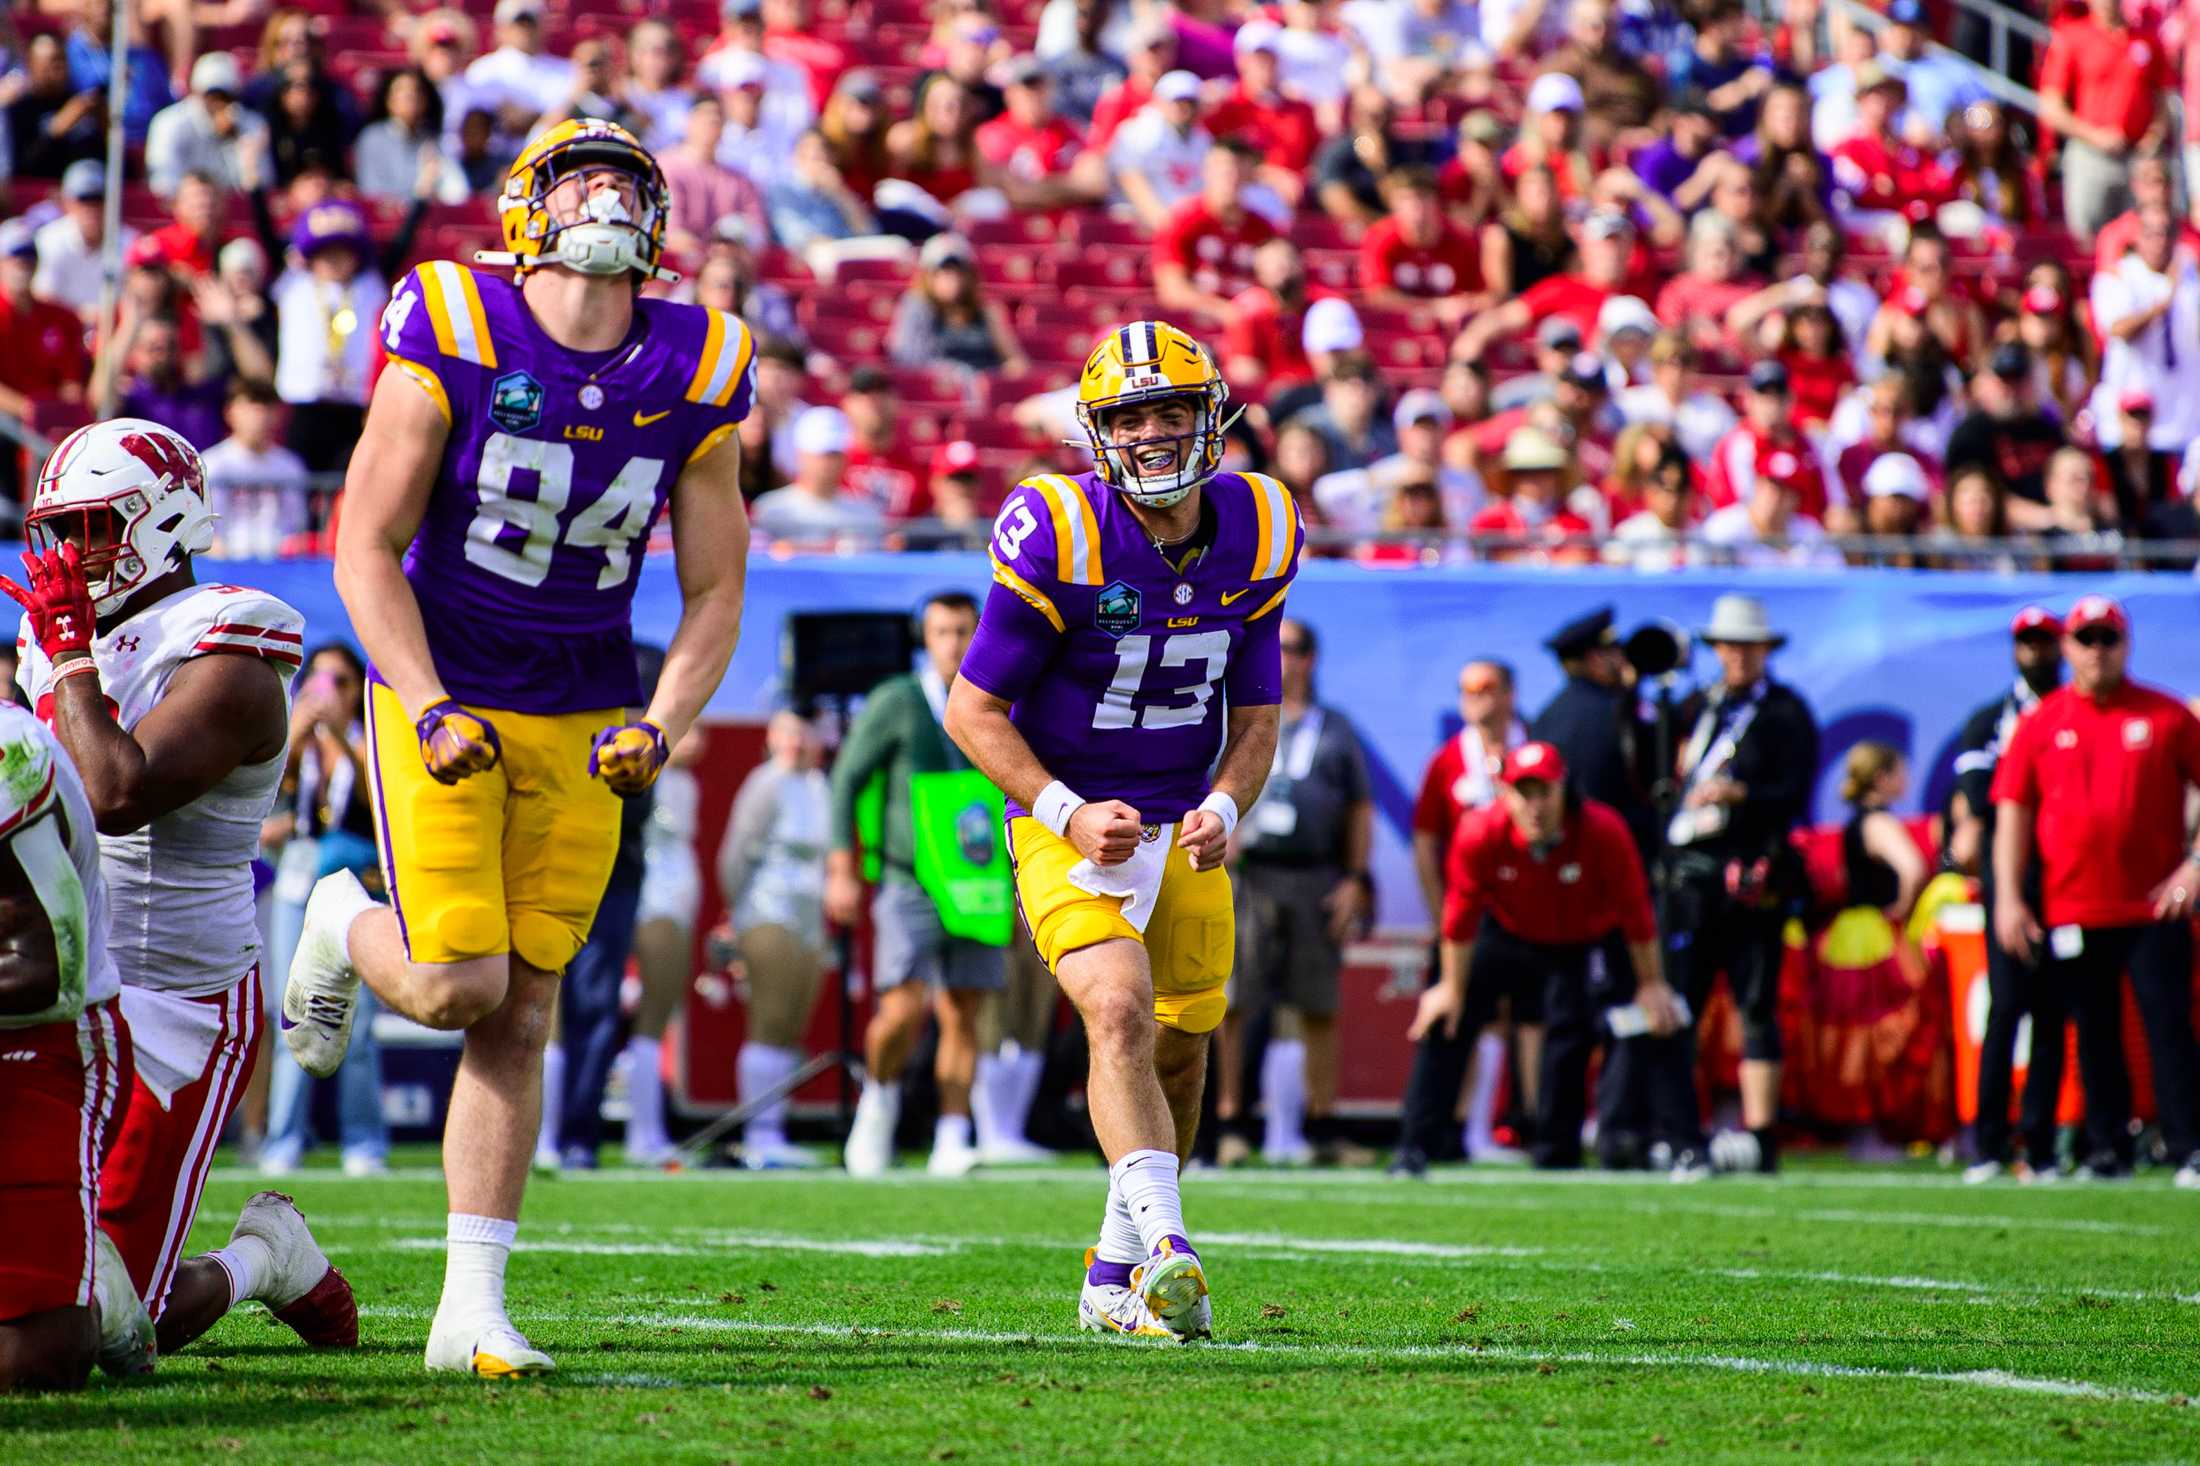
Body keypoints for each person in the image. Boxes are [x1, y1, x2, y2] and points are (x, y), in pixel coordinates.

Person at [280, 118, 753, 1376]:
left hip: (591, 698)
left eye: (627, 179)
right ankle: (338, 913)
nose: (605, 192)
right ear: (525, 208)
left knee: (527, 1003)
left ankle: (467, 1308)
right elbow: (364, 544)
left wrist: (662, 719)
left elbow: (714, 589)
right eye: (578, 174)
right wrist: (425, 696)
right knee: (454, 988)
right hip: (449, 682)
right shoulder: (451, 318)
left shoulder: (698, 360)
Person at [944, 320, 1301, 1341]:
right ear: (1098, 432)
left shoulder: (1261, 525)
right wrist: (1059, 805)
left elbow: (1258, 714)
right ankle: (1173, 1245)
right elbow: (970, 710)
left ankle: (1112, 1273)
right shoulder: (1058, 528)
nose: (1151, 432)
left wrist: (1226, 804)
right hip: (1070, 821)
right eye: (1129, 414)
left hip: (1180, 821)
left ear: (1211, 416)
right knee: (1116, 1009)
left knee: (1182, 1052)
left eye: (1171, 409)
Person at [6, 419, 355, 1360]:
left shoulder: (231, 653)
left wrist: (71, 657)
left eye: (94, 528)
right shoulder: (57, 642)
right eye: (60, 532)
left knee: (124, 1325)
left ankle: (266, 1258)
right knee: (41, 1287)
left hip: (178, 1000)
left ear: (163, 522)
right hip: (70, 995)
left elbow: (119, 794)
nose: (73, 556)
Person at [1990, 596, 2200, 1188]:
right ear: (2068, 647)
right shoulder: (2040, 723)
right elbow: (2013, 814)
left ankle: (2189, 1147)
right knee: (2094, 1031)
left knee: (2169, 1027)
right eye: (2087, 638)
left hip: (2153, 902)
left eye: (2109, 638)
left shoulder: (2165, 716)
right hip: (2072, 905)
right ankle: (2107, 1149)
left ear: (2126, 645)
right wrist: (2007, 895)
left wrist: (2195, 866)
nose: (2098, 650)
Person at [1412, 742, 1682, 1169]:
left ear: (1564, 789)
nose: (1535, 805)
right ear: (1506, 793)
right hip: (1509, 931)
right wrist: (1450, 986)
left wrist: (1651, 983)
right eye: (1525, 792)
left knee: (1622, 1023)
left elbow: (1636, 914)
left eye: (1545, 792)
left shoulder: (1603, 829)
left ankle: (1605, 1144)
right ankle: (1416, 1145)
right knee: (1446, 1015)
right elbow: (1459, 919)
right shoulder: (1480, 831)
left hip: (1583, 938)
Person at [828, 592, 1005, 1178]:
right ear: (923, 639)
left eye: (962, 631)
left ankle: (953, 1135)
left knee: (964, 1012)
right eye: (940, 632)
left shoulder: (999, 699)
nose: (953, 643)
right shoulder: (898, 700)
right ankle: (877, 1103)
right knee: (902, 1008)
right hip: (908, 877)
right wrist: (841, 867)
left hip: (978, 878)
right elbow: (847, 778)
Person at [0, 699, 147, 1389]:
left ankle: (102, 1295)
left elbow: (42, 970)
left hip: (39, 1040)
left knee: (36, 1359)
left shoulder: (9, 755)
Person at [1658, 594, 1820, 1176]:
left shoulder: (1784, 713)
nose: (1738, 655)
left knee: (1755, 1003)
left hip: (1753, 875)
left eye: (1748, 646)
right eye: (1729, 645)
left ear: (1764, 650)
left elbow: (1796, 793)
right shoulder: (1696, 708)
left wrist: (1741, 794)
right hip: (1693, 879)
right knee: (1682, 1005)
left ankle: (1760, 1135)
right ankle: (1679, 1129)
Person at [1221, 619, 1373, 1168]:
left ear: (1311, 659)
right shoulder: (1238, 716)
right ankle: (1232, 1122)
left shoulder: (1334, 728)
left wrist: (1356, 877)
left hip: (1314, 876)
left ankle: (1323, 1124)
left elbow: (1359, 806)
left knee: (1318, 1004)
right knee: (1235, 1002)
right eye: (1275, 647)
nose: (1283, 658)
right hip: (1250, 875)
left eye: (1294, 649)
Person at [535, 644, 670, 1171]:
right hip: (547, 866)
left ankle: (577, 1138)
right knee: (537, 1005)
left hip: (614, 874)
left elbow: (636, 804)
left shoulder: (641, 669)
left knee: (594, 1002)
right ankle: (538, 1135)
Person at [1392, 657, 1525, 1176]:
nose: (1479, 698)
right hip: (1469, 914)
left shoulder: (1531, 745)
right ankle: (1438, 1133)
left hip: (1528, 911)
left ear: (1510, 693)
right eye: (1467, 690)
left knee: (1526, 1022)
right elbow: (1425, 840)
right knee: (1452, 1019)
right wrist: (1439, 908)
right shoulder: (1449, 759)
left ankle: (1509, 1125)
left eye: (1489, 687)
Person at [259, 643, 387, 1177]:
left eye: (340, 682)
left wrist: (333, 731)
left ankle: (364, 1141)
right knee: (293, 1013)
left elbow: (372, 801)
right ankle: (284, 1140)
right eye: (318, 680)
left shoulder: (368, 742)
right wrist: (298, 731)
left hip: (356, 888)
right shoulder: (297, 742)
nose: (327, 692)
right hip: (297, 884)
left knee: (357, 1024)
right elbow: (263, 789)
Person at [1948, 607, 2063, 1183]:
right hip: (2011, 873)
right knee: (2008, 1001)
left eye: (2047, 641)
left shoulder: (2079, 713)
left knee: (2054, 1008)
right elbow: (1977, 792)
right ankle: (1989, 1142)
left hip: (2069, 874)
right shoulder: (1991, 719)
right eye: (2029, 642)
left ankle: (2043, 1144)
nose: (2038, 652)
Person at [716, 709, 830, 1168]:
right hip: (768, 908)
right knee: (769, 1015)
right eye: (788, 733)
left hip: (809, 913)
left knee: (793, 1023)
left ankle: (775, 1132)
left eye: (805, 733)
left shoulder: (821, 786)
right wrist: (737, 914)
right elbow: (734, 854)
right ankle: (759, 1134)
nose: (797, 743)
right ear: (772, 736)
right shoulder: (763, 782)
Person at [2035, 0, 2171, 239]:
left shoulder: (2145, 39)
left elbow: (2164, 98)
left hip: (2135, 157)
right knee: (2086, 237)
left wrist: (2152, 136)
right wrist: (2094, 136)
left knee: (2138, 236)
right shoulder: (2073, 37)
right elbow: (2051, 105)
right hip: (2091, 155)